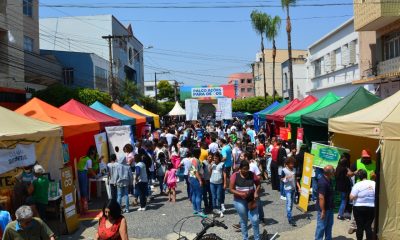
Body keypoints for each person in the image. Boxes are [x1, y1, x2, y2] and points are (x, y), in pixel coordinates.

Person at [230, 160, 261, 240]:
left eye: (247, 169)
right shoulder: (235, 175)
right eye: (244, 169)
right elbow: (231, 189)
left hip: (251, 199)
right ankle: (245, 238)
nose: (246, 171)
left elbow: (258, 184)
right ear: (240, 169)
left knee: (255, 220)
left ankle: (257, 238)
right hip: (239, 200)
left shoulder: (252, 174)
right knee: (244, 220)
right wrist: (240, 194)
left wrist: (256, 192)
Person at [350, 169, 375, 240]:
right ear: (366, 175)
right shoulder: (374, 183)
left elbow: (351, 197)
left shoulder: (357, 184)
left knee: (360, 226)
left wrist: (357, 196)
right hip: (371, 207)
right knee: (368, 227)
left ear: (358, 177)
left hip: (358, 207)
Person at [315, 165, 335, 240]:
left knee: (329, 226)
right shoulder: (323, 182)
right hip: (324, 209)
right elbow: (321, 197)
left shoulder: (329, 180)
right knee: (321, 227)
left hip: (329, 207)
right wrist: (323, 211)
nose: (334, 172)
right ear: (329, 173)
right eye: (333, 171)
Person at [77, 146, 98, 213]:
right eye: (93, 156)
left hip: (79, 173)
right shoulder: (89, 160)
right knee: (84, 188)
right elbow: (90, 170)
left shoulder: (83, 157)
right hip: (83, 173)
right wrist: (95, 176)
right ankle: (85, 205)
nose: (93, 159)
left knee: (82, 188)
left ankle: (83, 203)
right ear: (92, 155)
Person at [282, 157, 301, 227]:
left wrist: (299, 187)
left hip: (293, 189)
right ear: (287, 163)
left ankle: (289, 214)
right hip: (287, 189)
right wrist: (286, 177)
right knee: (289, 203)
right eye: (291, 163)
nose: (292, 164)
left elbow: (296, 180)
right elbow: (281, 179)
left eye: (293, 163)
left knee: (291, 204)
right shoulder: (284, 170)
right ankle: (290, 219)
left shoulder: (294, 170)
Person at [189, 148, 206, 217]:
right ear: (199, 153)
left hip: (191, 178)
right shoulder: (196, 160)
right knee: (199, 195)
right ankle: (199, 210)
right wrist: (200, 180)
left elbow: (190, 170)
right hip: (196, 178)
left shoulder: (191, 159)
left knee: (194, 194)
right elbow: (196, 171)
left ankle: (195, 209)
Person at [209, 152, 226, 218]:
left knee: (219, 197)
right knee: (213, 197)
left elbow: (224, 174)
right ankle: (214, 210)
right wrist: (211, 166)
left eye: (216, 158)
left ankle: (219, 210)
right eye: (214, 158)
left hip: (219, 183)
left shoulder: (222, 164)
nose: (214, 159)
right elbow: (210, 172)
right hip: (212, 182)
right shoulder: (212, 164)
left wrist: (225, 183)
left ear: (219, 158)